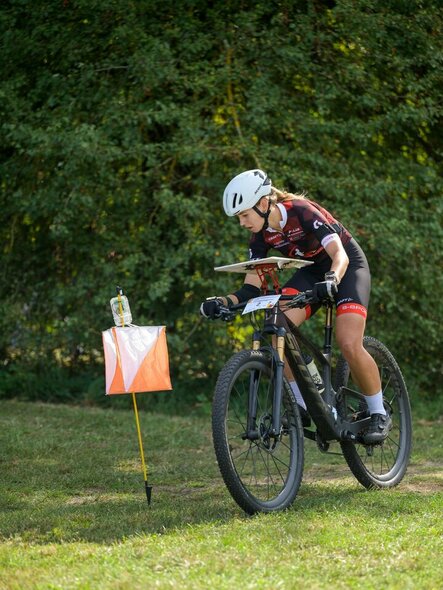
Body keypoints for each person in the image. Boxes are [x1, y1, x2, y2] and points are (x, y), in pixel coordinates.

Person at [200, 169, 392, 444]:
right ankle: (305, 404)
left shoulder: (302, 212)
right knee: (277, 323)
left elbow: (339, 255)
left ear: (264, 203)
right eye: (238, 217)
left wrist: (333, 280)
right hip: (312, 272)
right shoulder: (260, 236)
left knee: (348, 342)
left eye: (244, 215)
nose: (241, 223)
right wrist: (222, 303)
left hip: (346, 267)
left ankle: (378, 411)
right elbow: (250, 287)